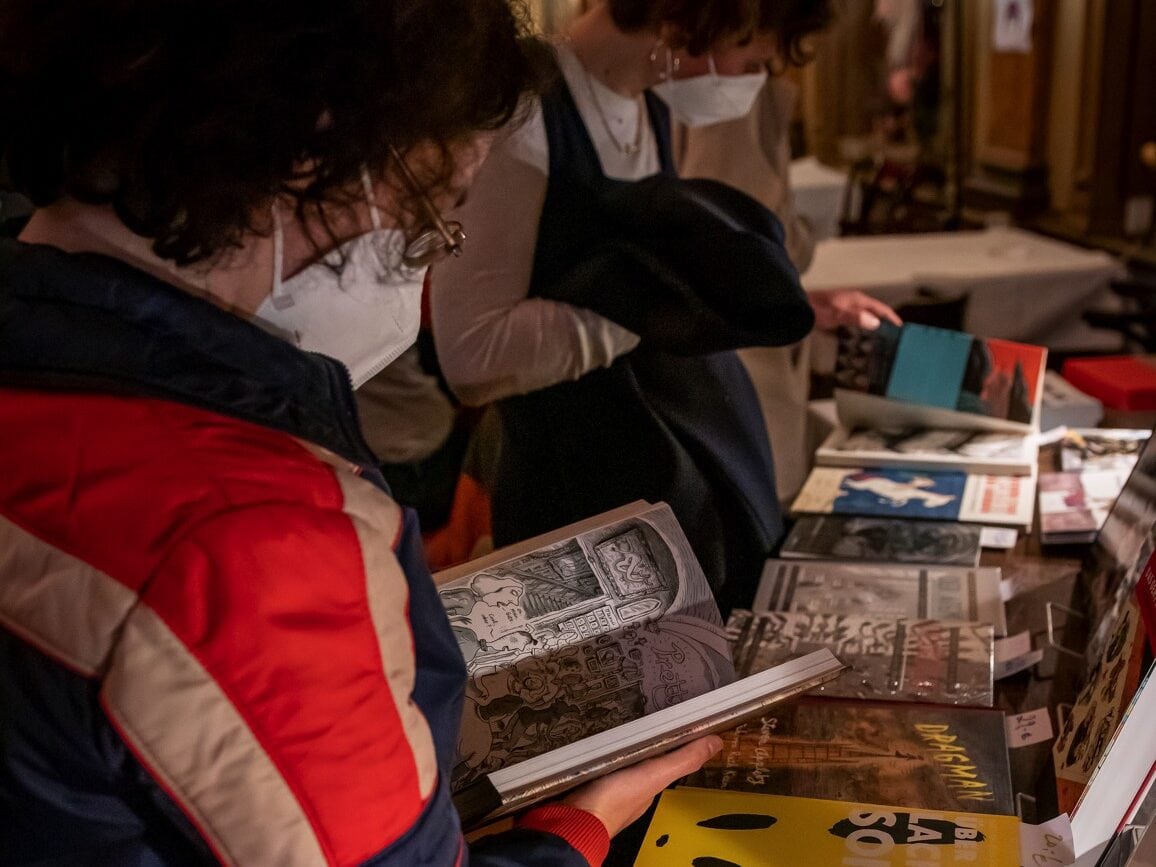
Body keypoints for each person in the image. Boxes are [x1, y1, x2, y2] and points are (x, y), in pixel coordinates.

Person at [0, 1, 720, 863]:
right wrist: (579, 826)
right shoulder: (249, 533)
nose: (425, 257)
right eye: (433, 213)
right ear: (316, 153)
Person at [431, 0, 822, 611]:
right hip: (575, 500)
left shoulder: (645, 102)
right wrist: (655, 307)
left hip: (647, 474)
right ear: (704, 22)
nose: (753, 77)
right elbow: (472, 353)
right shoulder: (526, 113)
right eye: (753, 57)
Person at [675, 0, 902, 501]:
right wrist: (795, 265)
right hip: (732, 385)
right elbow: (737, 247)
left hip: (742, 369)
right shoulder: (728, 96)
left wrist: (811, 302)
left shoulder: (734, 83)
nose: (759, 72)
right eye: (756, 63)